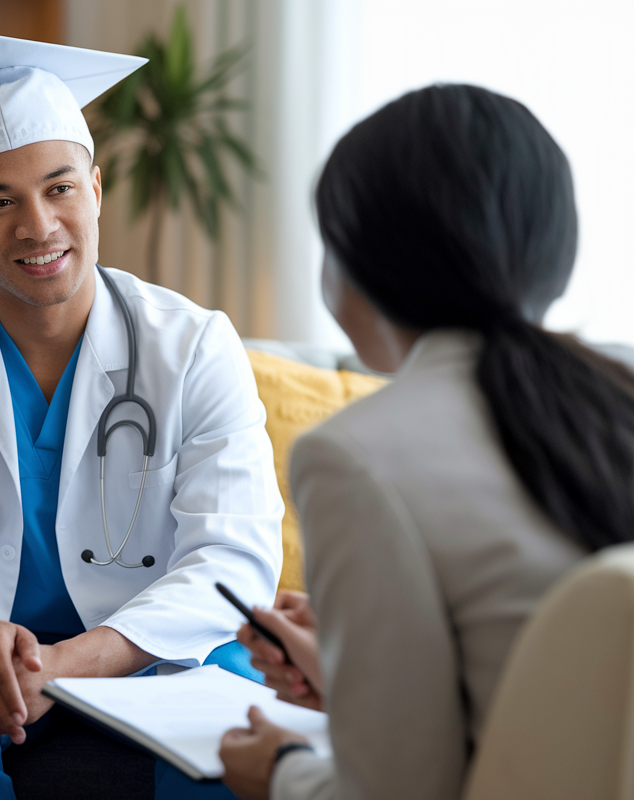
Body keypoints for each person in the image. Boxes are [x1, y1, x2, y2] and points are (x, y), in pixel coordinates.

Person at [0, 34, 285, 799]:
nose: (36, 227)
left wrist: (65, 666)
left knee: (231, 693)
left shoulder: (195, 346)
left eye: (59, 188)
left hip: (153, 654)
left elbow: (231, 564)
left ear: (97, 189)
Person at [216, 83, 634, 800]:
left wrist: (281, 772)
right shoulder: (612, 393)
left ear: (357, 262)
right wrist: (353, 677)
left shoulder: (356, 456)